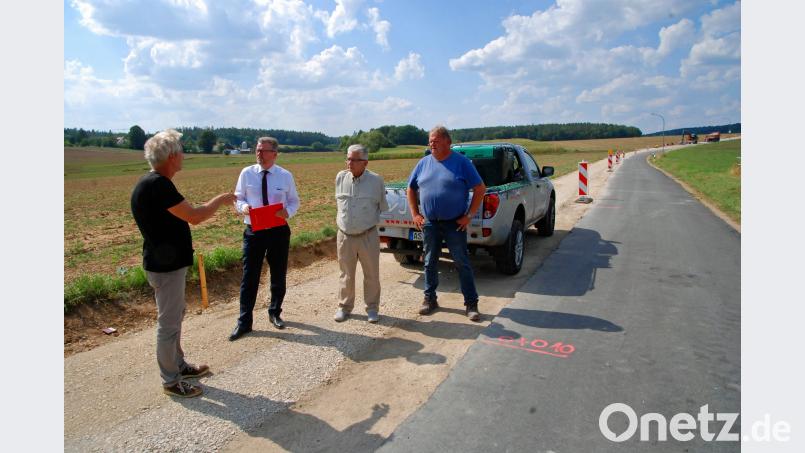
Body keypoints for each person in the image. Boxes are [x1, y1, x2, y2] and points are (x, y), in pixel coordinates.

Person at [130, 129, 236, 398]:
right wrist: (221, 201)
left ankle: (178, 365)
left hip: (165, 263)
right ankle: (171, 380)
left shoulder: (151, 183)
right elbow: (195, 216)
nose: (184, 156)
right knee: (168, 324)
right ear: (171, 156)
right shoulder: (159, 186)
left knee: (175, 318)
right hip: (165, 268)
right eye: (180, 151)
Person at [407, 126, 486, 321]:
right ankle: (430, 299)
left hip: (454, 224)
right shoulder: (423, 163)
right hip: (431, 224)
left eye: (436, 140)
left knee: (462, 262)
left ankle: (471, 303)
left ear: (447, 142)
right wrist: (415, 213)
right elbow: (410, 188)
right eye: (430, 140)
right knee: (429, 262)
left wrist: (469, 215)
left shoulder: (462, 163)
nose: (431, 143)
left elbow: (480, 188)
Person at [229, 137, 300, 341]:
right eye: (257, 150)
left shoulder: (285, 176)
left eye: (263, 151)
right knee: (249, 276)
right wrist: (243, 208)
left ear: (274, 154)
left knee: (278, 273)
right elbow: (238, 197)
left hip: (278, 231)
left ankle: (275, 312)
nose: (259, 153)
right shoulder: (247, 173)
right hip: (254, 231)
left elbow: (295, 201)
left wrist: (288, 212)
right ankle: (244, 322)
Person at [333, 144, 389, 323]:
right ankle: (344, 307)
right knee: (345, 274)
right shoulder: (340, 178)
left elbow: (381, 207)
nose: (350, 163)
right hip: (344, 236)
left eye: (354, 159)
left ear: (365, 162)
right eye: (348, 158)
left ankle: (372, 308)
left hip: (368, 235)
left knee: (371, 273)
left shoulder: (376, 181)